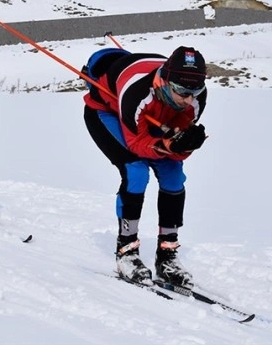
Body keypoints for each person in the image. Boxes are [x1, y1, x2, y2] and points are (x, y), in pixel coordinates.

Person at [82, 46, 208, 289]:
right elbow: (138, 144)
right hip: (106, 112)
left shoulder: (195, 99)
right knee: (136, 171)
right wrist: (169, 145)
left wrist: (184, 145)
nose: (189, 99)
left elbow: (175, 146)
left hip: (155, 118)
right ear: (165, 81)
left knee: (173, 176)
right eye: (183, 92)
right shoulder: (137, 93)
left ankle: (167, 257)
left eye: (196, 91)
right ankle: (126, 252)